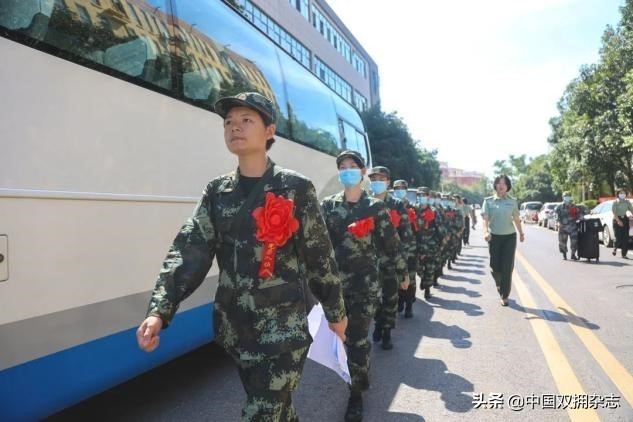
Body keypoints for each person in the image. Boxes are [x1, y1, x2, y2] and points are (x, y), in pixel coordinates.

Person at [136, 92, 348, 422]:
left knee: (262, 412)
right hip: (236, 328)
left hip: (282, 330)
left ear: (269, 131)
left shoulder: (295, 188)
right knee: (276, 409)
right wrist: (160, 310)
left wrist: (336, 312)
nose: (235, 127)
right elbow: (190, 250)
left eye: (246, 120)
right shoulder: (217, 192)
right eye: (228, 123)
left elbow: (319, 256)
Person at [321, 151, 406, 422]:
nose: (347, 171)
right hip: (335, 287)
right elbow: (318, 247)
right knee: (342, 339)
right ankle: (359, 371)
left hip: (365, 285)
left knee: (357, 338)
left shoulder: (376, 207)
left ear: (362, 171)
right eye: (342, 167)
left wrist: (403, 272)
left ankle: (355, 395)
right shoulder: (328, 206)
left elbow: (390, 245)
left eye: (352, 167)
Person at [367, 168, 413, 347]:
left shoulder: (397, 204)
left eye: (381, 179)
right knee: (372, 299)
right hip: (368, 261)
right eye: (374, 179)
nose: (377, 181)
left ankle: (386, 331)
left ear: (388, 182)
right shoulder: (363, 202)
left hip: (391, 259)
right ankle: (378, 321)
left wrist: (404, 265)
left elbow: (406, 234)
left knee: (390, 298)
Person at [482, 175, 525, 306]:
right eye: (499, 183)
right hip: (494, 237)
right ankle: (500, 285)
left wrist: (521, 232)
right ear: (495, 185)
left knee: (507, 266)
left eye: (504, 184)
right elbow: (485, 219)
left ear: (507, 187)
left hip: (509, 237)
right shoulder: (488, 201)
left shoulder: (512, 201)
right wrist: (485, 232)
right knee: (495, 267)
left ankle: (504, 295)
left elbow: (516, 218)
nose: (501, 186)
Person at [415, 187, 443, 300]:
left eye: (424, 195)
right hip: (417, 244)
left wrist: (440, 242)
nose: (422, 197)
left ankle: (427, 288)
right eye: (420, 195)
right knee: (419, 268)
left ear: (428, 196)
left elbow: (440, 229)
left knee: (429, 268)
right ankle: (423, 280)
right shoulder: (413, 209)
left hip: (431, 245)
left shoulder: (434, 211)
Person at [554, 191, 584, 260]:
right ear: (563, 197)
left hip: (573, 227)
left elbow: (579, 214)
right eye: (566, 196)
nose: (567, 198)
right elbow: (556, 216)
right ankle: (564, 254)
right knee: (562, 243)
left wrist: (581, 217)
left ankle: (573, 254)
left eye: (568, 196)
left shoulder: (573, 206)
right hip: (563, 227)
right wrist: (558, 223)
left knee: (574, 242)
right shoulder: (559, 207)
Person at [611, 188, 633, 259]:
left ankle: (624, 254)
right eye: (620, 193)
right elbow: (614, 213)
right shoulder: (615, 202)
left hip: (625, 220)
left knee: (625, 238)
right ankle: (615, 248)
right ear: (618, 194)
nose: (622, 194)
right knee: (618, 238)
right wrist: (618, 221)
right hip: (617, 220)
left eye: (623, 193)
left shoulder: (627, 202)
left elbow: (631, 210)